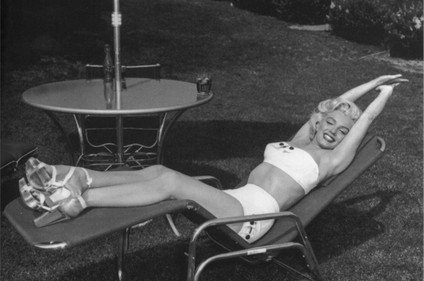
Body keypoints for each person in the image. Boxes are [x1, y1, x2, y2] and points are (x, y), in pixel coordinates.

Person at [20, 74, 407, 240]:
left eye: (342, 132)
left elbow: (364, 120)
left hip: (251, 219)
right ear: (319, 118)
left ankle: (80, 198)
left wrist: (384, 94)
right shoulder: (300, 139)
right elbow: (339, 103)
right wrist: (371, 82)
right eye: (331, 122)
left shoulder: (329, 162)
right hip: (235, 200)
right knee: (158, 168)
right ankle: (76, 177)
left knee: (171, 182)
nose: (334, 132)